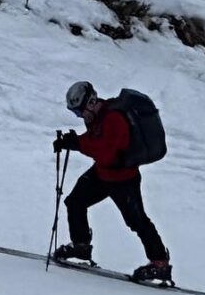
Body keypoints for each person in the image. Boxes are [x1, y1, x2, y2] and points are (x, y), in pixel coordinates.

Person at [53, 81, 171, 282]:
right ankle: (81, 247)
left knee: (137, 221)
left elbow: (107, 153)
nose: (80, 117)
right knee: (75, 202)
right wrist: (73, 142)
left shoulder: (115, 119)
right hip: (102, 174)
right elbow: (95, 140)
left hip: (123, 179)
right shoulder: (97, 117)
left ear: (90, 103)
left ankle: (160, 264)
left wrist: (77, 144)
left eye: (79, 112)